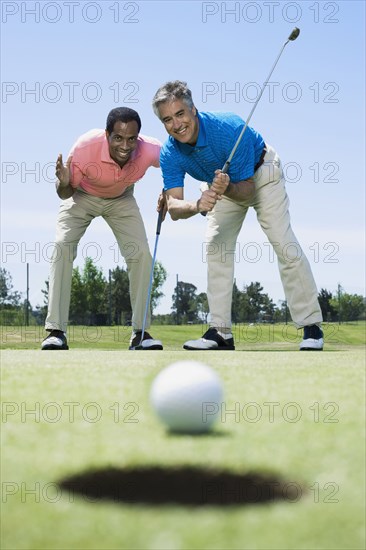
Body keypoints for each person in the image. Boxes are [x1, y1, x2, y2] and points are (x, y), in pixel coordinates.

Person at [152, 80, 323, 351]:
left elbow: (246, 190)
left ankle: (311, 325)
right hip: (220, 184)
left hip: (261, 173)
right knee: (216, 246)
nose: (176, 124)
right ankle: (221, 332)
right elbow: (173, 206)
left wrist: (227, 187)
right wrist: (198, 205)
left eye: (181, 114)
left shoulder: (230, 128)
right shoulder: (170, 152)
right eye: (167, 120)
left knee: (282, 240)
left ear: (193, 110)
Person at [41, 107, 163, 351]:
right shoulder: (85, 146)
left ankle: (141, 333)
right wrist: (63, 182)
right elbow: (66, 192)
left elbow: (176, 162)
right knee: (62, 247)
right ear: (107, 134)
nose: (125, 146)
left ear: (138, 137)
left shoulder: (150, 148)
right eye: (118, 138)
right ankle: (56, 331)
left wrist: (169, 190)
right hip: (82, 194)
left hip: (122, 198)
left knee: (141, 254)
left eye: (131, 139)